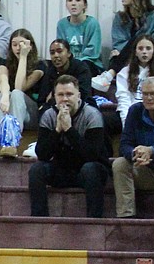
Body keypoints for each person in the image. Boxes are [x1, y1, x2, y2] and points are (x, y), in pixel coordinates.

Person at [30, 75, 107, 217]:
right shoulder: (49, 115)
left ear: (78, 96)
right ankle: (39, 219)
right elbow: (42, 154)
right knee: (36, 169)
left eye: (69, 94)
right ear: (54, 97)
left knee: (90, 168)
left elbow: (92, 155)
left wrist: (69, 130)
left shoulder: (92, 115)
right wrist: (58, 130)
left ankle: (94, 220)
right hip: (62, 170)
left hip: (89, 170)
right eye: (60, 95)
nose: (65, 99)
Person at [0, 29, 44, 159]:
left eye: (21, 44)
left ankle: (11, 143)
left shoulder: (41, 65)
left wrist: (24, 57)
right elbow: (3, 81)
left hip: (29, 114)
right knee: (4, 93)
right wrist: (4, 97)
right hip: (8, 111)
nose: (18, 48)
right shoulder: (5, 63)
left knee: (16, 93)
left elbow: (20, 87)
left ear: (29, 45)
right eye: (14, 44)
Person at [93, 0, 154, 91]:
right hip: (124, 59)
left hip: (150, 57)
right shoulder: (120, 17)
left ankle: (109, 75)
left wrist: (142, 47)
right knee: (136, 42)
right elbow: (118, 43)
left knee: (139, 40)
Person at [114, 75, 154, 219]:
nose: (149, 98)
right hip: (145, 171)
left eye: (153, 94)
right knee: (119, 164)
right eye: (145, 94)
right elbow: (124, 144)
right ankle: (126, 217)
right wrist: (136, 153)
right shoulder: (135, 111)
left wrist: (152, 151)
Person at [115, 35, 154, 124]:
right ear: (135, 52)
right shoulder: (124, 73)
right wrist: (126, 122)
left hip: (153, 113)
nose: (144, 52)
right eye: (140, 48)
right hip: (131, 112)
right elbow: (123, 100)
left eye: (148, 48)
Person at [35, 38, 95, 112]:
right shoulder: (50, 71)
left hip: (79, 108)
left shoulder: (81, 68)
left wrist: (54, 95)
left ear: (69, 53)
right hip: (55, 109)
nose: (56, 55)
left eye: (59, 51)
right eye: (52, 53)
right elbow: (42, 99)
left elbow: (83, 94)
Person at [56, 0, 103, 75]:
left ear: (85, 5)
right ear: (66, 5)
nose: (73, 3)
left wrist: (74, 62)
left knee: (82, 67)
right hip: (68, 63)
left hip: (89, 63)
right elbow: (60, 48)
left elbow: (93, 53)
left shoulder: (92, 23)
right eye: (70, 0)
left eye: (77, 0)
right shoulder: (62, 24)